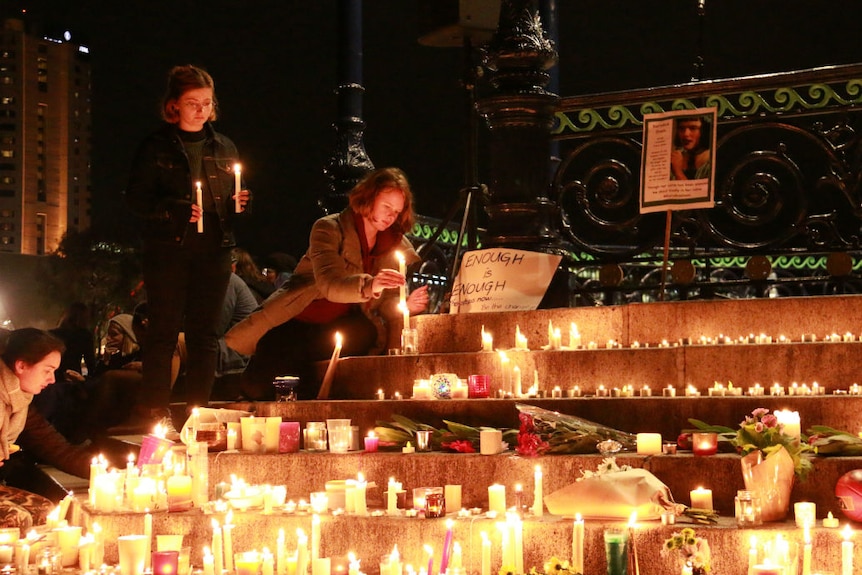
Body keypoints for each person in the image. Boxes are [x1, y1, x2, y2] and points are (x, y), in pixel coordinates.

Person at [226, 167, 429, 400]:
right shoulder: (328, 228)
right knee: (265, 385)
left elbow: (384, 302)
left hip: (342, 326)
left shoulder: (394, 245)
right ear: (369, 197)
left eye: (397, 211)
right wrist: (369, 285)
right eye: (386, 206)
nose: (391, 216)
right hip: (299, 321)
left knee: (365, 333)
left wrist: (405, 306)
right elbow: (330, 283)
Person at [125, 64, 250, 439]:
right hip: (168, 248)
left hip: (214, 247)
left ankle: (199, 412)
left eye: (206, 103)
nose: (200, 110)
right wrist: (174, 209)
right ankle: (156, 413)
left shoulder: (223, 146)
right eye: (192, 102)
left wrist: (239, 201)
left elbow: (226, 200)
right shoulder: (156, 146)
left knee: (205, 334)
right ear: (174, 106)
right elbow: (136, 199)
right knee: (163, 332)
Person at [0, 328, 65, 526]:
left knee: (45, 509)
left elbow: (54, 446)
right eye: (47, 370)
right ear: (21, 365)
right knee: (17, 519)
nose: (52, 379)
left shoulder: (20, 401)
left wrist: (105, 470)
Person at [670, 115, 711, 180]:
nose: (686, 134)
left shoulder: (711, 160)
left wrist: (678, 172)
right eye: (681, 128)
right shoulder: (676, 157)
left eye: (693, 128)